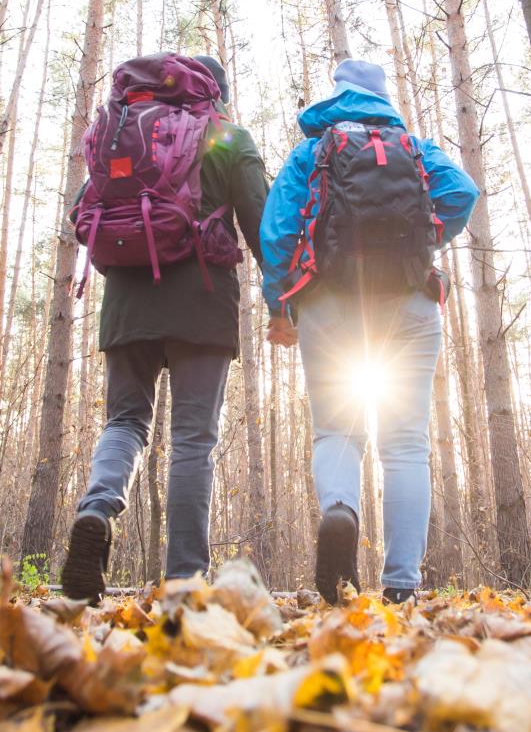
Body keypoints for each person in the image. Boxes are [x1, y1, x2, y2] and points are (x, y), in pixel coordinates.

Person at [259, 59, 477, 604]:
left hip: (330, 301)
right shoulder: (416, 148)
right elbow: (463, 195)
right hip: (410, 301)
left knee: (337, 431)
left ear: (337, 95)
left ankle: (340, 510)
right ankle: (402, 585)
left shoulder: (314, 150)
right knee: (405, 444)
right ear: (384, 100)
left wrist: (279, 306)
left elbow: (277, 233)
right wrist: (421, 237)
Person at [60, 53, 268, 603]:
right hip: (202, 302)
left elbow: (82, 213)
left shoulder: (129, 131)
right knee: (193, 440)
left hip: (128, 303)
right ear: (216, 92)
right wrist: (285, 299)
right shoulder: (225, 136)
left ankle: (97, 510)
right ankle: (184, 580)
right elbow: (262, 224)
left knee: (125, 423)